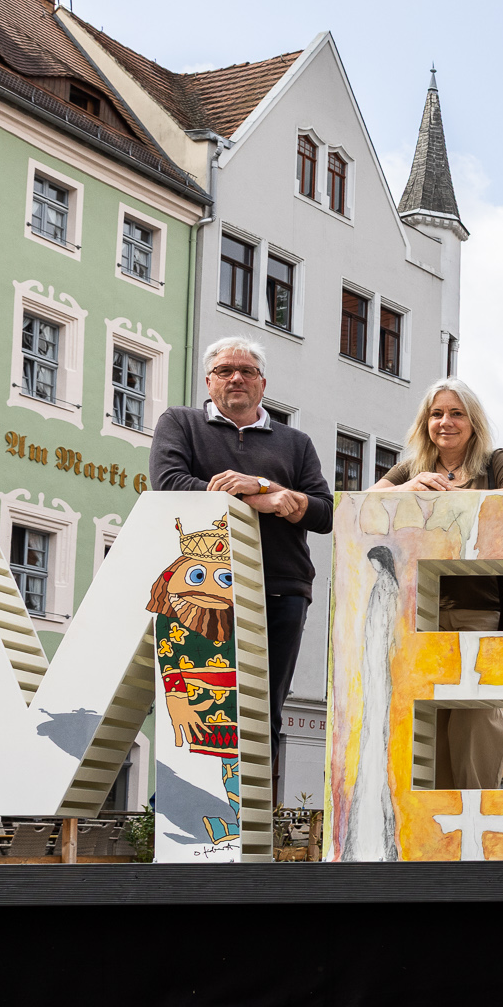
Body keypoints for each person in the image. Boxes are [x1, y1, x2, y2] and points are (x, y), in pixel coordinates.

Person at [147, 336, 333, 795]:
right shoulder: (180, 423)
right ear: (208, 381)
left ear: (262, 384)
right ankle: (193, 815)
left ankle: (252, 816)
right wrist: (268, 500)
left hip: (282, 586)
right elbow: (170, 484)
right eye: (226, 370)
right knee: (199, 700)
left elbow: (326, 512)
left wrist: (263, 482)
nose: (236, 377)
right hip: (203, 591)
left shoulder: (295, 441)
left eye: (247, 371)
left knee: (264, 705)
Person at [369, 377, 503, 791]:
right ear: (425, 422)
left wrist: (457, 499)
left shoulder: (493, 461)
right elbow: (366, 502)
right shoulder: (412, 466)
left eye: (456, 413)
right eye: (436, 414)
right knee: (425, 716)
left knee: (472, 710)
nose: (445, 422)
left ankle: (470, 815)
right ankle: (432, 825)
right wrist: (406, 489)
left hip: (478, 606)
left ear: (473, 421)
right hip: (417, 609)